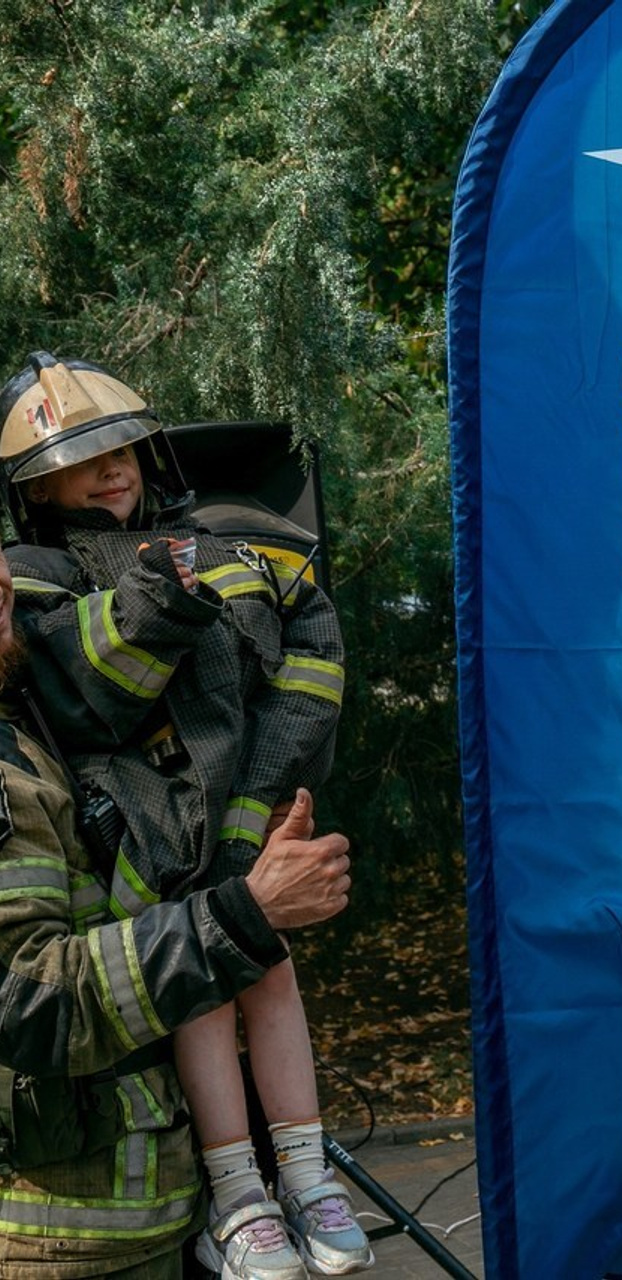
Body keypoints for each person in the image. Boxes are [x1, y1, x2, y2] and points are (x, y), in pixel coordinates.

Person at [0, 352, 370, 1278]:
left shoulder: (234, 542)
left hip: (242, 835)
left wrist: (252, 824)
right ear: (33, 488)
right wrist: (155, 603)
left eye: (125, 446)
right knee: (207, 984)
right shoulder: (37, 589)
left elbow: (305, 680)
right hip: (150, 856)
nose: (113, 469)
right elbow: (88, 701)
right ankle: (243, 1190)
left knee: (263, 975)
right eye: (82, 461)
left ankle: (303, 1173)